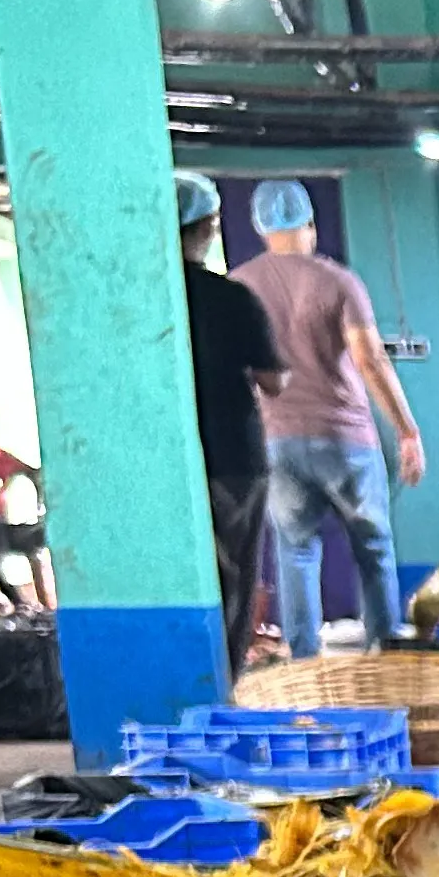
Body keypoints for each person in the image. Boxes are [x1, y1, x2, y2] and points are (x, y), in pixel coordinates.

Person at [231, 178, 424, 665]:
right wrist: (407, 430)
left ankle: (304, 661)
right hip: (345, 439)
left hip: (277, 440)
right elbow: (370, 359)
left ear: (260, 227)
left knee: (294, 552)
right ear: (310, 225)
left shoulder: (240, 285)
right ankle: (386, 654)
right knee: (372, 546)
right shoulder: (338, 282)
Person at [171, 176, 285, 659]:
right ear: (208, 228)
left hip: (167, 461)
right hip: (235, 459)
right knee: (234, 576)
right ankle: (223, 682)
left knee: (176, 576)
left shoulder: (138, 302)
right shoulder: (232, 299)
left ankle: (180, 679)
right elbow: (273, 380)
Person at [0, 400, 52, 615]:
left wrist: (8, 487)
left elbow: (33, 472)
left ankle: (26, 604)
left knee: (10, 541)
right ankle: (19, 601)